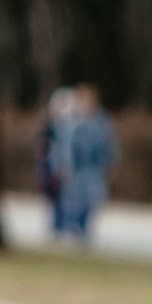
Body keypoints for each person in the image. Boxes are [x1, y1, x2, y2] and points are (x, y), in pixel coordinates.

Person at [55, 84, 116, 243]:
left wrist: (110, 161)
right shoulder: (71, 120)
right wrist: (64, 165)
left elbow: (110, 143)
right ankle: (73, 228)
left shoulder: (102, 121)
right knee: (73, 200)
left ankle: (84, 229)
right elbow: (64, 145)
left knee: (93, 199)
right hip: (76, 167)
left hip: (94, 168)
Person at [36, 88, 74, 235]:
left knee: (67, 198)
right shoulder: (49, 125)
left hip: (63, 166)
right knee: (54, 198)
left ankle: (64, 225)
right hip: (50, 167)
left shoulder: (70, 125)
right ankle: (57, 226)